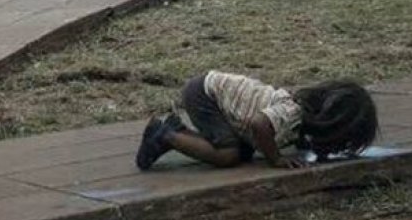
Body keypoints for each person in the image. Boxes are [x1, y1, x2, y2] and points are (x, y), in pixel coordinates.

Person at [136, 71, 378, 171]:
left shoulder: (299, 120)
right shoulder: (291, 113)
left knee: (243, 153)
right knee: (229, 155)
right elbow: (258, 125)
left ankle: (177, 132)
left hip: (214, 93)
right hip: (205, 95)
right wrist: (276, 159)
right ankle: (165, 135)